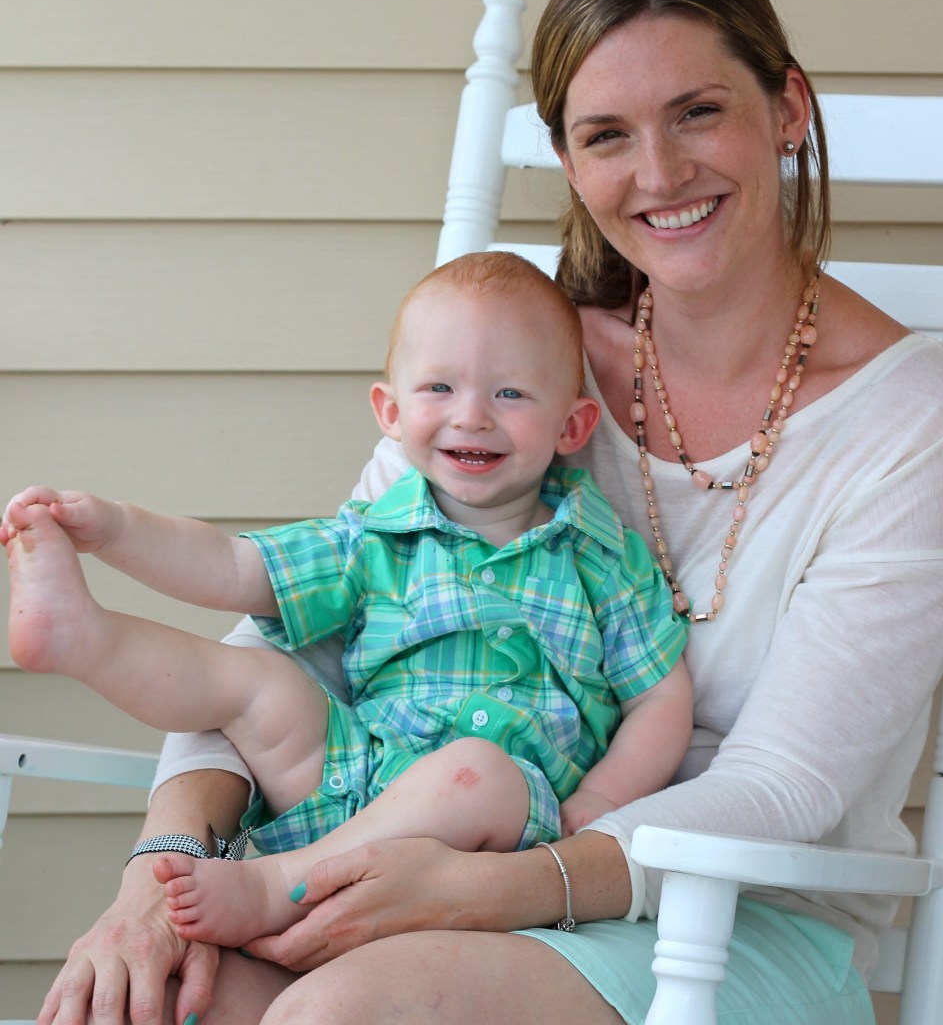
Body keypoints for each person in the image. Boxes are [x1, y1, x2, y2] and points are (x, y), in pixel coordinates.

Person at [26, 0, 943, 1025]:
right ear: (571, 166)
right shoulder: (505, 376)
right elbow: (289, 640)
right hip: (423, 862)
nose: (658, 173)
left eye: (697, 111)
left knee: (336, 1015)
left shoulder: (917, 419)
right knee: (149, 1004)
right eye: (606, 135)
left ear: (786, 109)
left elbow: (785, 787)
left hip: (739, 919)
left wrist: (491, 889)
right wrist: (157, 879)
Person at [3, 251, 691, 952]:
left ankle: (279, 884)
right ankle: (82, 638)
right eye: (439, 387)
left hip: (492, 829)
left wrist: (602, 799)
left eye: (510, 393)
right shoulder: (370, 538)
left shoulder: (601, 557)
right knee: (258, 681)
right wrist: (115, 530)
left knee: (476, 769)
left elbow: (660, 698)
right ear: (390, 411)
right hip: (351, 775)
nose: (472, 416)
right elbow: (232, 566)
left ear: (572, 427)